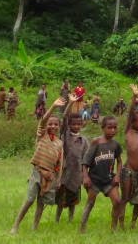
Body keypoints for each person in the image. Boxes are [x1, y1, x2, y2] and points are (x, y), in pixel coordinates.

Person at [10, 97, 66, 234]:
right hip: (37, 172)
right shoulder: (42, 135)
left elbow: (60, 161)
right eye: (50, 124)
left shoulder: (59, 143)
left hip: (50, 176)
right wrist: (53, 106)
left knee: (41, 203)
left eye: (55, 124)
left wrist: (58, 179)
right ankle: (15, 226)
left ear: (59, 127)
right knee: (29, 200)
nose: (52, 126)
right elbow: (43, 120)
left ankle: (35, 227)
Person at [80, 116, 124, 233]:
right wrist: (85, 177)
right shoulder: (96, 142)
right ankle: (82, 227)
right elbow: (85, 162)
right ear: (103, 128)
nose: (113, 130)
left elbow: (119, 161)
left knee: (117, 202)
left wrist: (118, 175)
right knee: (90, 203)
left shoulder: (115, 145)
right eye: (109, 128)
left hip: (109, 179)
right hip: (94, 180)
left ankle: (113, 228)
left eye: (115, 128)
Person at [118, 85, 138, 229]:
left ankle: (133, 223)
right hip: (128, 172)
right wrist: (134, 97)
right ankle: (121, 223)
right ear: (133, 123)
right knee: (125, 197)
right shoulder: (129, 132)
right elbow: (130, 114)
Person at [55, 95, 87, 223]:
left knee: (73, 199)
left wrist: (85, 175)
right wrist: (71, 104)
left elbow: (86, 159)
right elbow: (64, 118)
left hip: (76, 175)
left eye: (79, 124)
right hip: (65, 174)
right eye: (74, 124)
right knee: (61, 200)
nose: (76, 126)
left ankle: (71, 219)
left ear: (82, 125)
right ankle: (57, 219)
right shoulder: (66, 135)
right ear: (69, 125)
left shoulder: (84, 141)